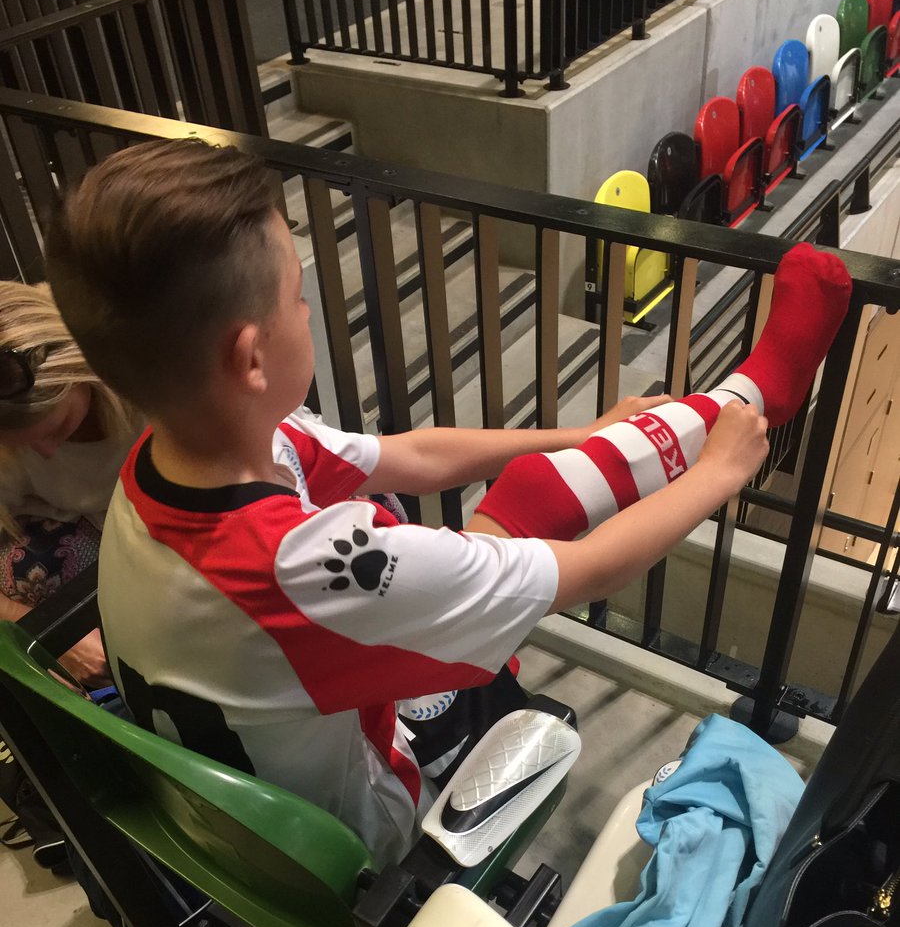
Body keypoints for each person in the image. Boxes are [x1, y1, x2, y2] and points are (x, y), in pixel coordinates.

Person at [44, 139, 851, 866]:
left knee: (503, 506)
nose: (306, 309)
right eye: (298, 294)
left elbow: (412, 455)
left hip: (233, 820)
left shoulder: (162, 466)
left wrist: (570, 435)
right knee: (508, 536)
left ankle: (733, 396)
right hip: (360, 838)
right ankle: (757, 394)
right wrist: (719, 474)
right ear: (251, 356)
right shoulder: (303, 567)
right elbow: (590, 573)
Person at [0, 281, 143, 866]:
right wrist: (39, 634)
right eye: (20, 444)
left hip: (162, 508)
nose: (48, 454)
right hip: (85, 531)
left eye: (53, 429)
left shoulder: (143, 363)